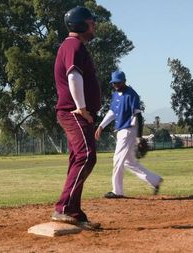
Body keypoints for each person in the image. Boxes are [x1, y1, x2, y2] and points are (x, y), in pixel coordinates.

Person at [51, 6, 101, 230]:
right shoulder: (74, 44)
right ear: (81, 25)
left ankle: (73, 211)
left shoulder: (73, 45)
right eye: (91, 22)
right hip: (74, 111)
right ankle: (63, 208)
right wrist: (81, 108)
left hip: (75, 111)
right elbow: (73, 74)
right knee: (86, 155)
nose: (94, 26)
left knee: (78, 158)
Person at [95, 70, 163, 198]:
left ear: (124, 81)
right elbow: (112, 113)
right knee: (128, 162)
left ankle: (117, 191)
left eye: (117, 82)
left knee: (117, 159)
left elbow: (139, 116)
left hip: (128, 129)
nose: (115, 85)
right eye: (113, 83)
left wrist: (139, 137)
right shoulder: (115, 95)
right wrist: (101, 126)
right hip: (121, 130)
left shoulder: (131, 95)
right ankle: (155, 180)